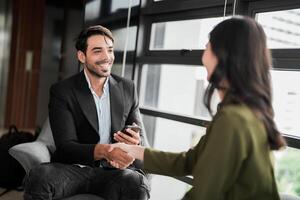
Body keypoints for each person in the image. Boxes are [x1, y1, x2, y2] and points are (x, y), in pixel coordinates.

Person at [111, 16, 286, 200]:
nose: (204, 52)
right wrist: (134, 150)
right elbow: (190, 161)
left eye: (209, 45)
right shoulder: (246, 112)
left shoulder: (233, 119)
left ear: (224, 55)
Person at [24, 25, 150, 200]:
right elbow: (66, 147)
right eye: (98, 51)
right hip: (73, 170)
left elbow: (140, 138)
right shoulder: (62, 91)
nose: (107, 57)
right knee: (39, 177)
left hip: (113, 173)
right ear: (82, 56)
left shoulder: (128, 88)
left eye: (110, 50)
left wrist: (134, 143)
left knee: (137, 184)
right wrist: (105, 151)